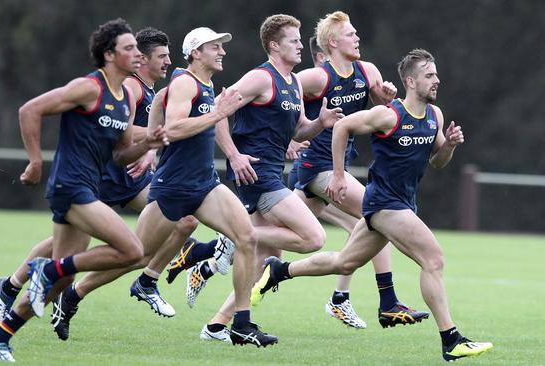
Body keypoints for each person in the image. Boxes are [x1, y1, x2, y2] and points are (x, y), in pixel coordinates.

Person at [252, 48, 493, 362]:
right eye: (429, 75)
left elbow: (438, 162)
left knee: (344, 263)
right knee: (433, 259)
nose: (436, 80)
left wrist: (449, 145)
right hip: (385, 205)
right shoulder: (389, 114)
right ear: (410, 80)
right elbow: (341, 127)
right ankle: (452, 340)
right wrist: (338, 175)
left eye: (436, 74)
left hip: (401, 203)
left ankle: (279, 271)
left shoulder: (435, 116)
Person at [0, 27, 209, 342]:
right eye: (158, 55)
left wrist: (150, 146)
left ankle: (1, 332)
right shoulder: (120, 88)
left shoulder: (131, 94)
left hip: (122, 176)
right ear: (120, 55)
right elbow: (33, 110)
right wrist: (35, 161)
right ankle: (14, 285)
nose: (166, 62)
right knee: (120, 247)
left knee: (180, 221)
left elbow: (124, 146)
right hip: (91, 180)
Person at [179, 14, 345, 341]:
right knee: (313, 238)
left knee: (266, 259)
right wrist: (234, 155)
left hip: (271, 174)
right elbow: (218, 112)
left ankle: (217, 326)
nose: (301, 46)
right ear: (274, 45)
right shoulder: (259, 78)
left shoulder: (294, 82)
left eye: (299, 40)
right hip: (255, 175)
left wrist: (320, 122)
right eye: (294, 40)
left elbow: (300, 129)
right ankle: (238, 236)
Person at [132, 26, 278, 347]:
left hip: (204, 184)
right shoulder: (185, 81)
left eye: (221, 47)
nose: (222, 51)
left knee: (247, 236)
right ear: (196, 53)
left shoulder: (206, 84)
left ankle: (239, 324)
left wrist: (150, 149)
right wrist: (216, 114)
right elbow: (175, 127)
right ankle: (73, 288)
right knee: (131, 254)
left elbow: (157, 104)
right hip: (173, 185)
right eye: (214, 47)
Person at [286, 11, 428, 329]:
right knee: (380, 214)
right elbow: (281, 89)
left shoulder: (367, 71)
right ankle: (387, 302)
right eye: (351, 34)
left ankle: (222, 304)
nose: (357, 37)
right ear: (333, 43)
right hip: (317, 168)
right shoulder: (317, 77)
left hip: (331, 169)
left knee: (275, 242)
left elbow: (382, 105)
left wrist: (383, 95)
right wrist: (289, 136)